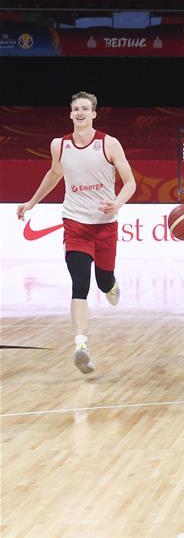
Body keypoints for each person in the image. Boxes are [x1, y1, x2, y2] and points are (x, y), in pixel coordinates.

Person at [16, 92, 136, 374]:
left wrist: (117, 203)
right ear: (70, 114)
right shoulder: (59, 145)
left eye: (85, 109)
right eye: (75, 109)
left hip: (105, 225)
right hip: (75, 224)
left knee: (103, 281)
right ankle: (81, 345)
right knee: (79, 282)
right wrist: (32, 202)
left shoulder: (109, 143)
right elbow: (54, 174)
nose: (80, 113)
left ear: (94, 113)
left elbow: (130, 182)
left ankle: (111, 284)